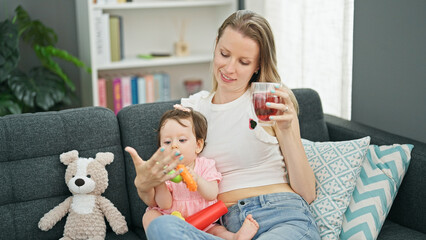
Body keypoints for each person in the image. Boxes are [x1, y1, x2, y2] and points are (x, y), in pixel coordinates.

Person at [126, 9, 320, 240]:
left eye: (244, 62)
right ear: (216, 45)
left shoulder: (269, 102)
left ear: (257, 65)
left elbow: (307, 194)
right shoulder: (193, 109)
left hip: (283, 214)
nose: (229, 68)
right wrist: (143, 183)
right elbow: (163, 186)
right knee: (161, 228)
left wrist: (289, 131)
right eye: (224, 54)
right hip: (227, 225)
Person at [140, 104, 259, 240]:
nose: (174, 145)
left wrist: (197, 179)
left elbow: (212, 194)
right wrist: (159, 182)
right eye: (167, 142)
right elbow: (165, 204)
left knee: (217, 230)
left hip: (205, 220)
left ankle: (235, 238)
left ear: (198, 145)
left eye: (182, 140)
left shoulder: (205, 165)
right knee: (150, 216)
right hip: (172, 219)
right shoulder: (165, 170)